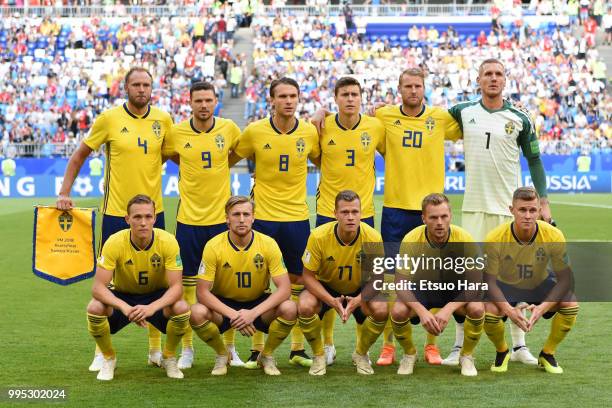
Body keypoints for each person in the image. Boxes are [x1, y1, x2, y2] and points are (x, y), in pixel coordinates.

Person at [311, 68, 461, 366]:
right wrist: (320, 110)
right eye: (408, 86)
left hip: (429, 211)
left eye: (418, 86)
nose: (414, 91)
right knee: (389, 281)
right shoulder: (384, 118)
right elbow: (347, 118)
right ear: (399, 88)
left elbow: (471, 119)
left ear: (424, 88)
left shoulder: (441, 117)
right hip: (394, 208)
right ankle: (389, 345)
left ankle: (431, 345)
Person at [56, 67, 174, 372]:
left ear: (153, 88)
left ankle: (155, 348)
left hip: (154, 212)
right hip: (115, 213)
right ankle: (101, 349)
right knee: (107, 281)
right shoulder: (109, 119)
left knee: (157, 281)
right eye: (135, 84)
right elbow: (80, 155)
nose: (141, 89)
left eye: (146, 84)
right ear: (125, 88)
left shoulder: (163, 120)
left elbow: (176, 156)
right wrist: (64, 192)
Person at [445, 58, 553, 366]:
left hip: (509, 211)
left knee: (514, 279)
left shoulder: (520, 117)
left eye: (498, 74)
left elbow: (534, 160)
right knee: (468, 279)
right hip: (475, 208)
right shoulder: (463, 111)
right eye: (487, 74)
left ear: (505, 80)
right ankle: (458, 346)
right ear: (477, 80)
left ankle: (518, 346)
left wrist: (542, 200)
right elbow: (425, 117)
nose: (493, 79)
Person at [230, 77, 320, 368]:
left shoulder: (308, 132)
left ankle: (296, 349)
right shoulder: (255, 131)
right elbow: (229, 159)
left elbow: (323, 161)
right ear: (271, 100)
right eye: (282, 96)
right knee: (260, 281)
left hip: (296, 217)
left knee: (296, 280)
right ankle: (257, 348)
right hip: (264, 217)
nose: (289, 101)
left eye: (293, 95)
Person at [163, 81, 243, 370]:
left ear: (215, 102)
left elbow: (238, 152)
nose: (204, 105)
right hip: (189, 222)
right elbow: (172, 156)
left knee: (225, 285)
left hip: (221, 221)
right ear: (190, 103)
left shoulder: (229, 129)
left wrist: (222, 164)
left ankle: (230, 347)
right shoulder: (177, 132)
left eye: (209, 100)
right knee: (186, 287)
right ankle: (187, 348)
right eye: (199, 101)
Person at [313, 77, 386, 365]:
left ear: (361, 98)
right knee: (326, 277)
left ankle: (361, 349)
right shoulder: (322, 125)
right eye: (345, 94)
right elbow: (316, 159)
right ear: (336, 98)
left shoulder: (375, 126)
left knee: (364, 281)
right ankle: (328, 345)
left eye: (355, 94)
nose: (350, 99)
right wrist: (319, 112)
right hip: (326, 211)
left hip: (363, 212)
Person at [85, 194, 190, 381]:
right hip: (123, 296)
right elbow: (98, 288)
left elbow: (176, 288)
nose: (143, 222)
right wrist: (124, 307)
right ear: (127, 219)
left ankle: (168, 357)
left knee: (182, 308)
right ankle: (109, 358)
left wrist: (151, 308)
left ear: (155, 218)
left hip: (157, 298)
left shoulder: (168, 241)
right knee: (94, 307)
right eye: (137, 217)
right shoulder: (114, 242)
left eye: (148, 217)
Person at [189, 196, 297, 376]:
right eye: (236, 214)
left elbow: (285, 289)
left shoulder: (268, 244)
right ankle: (223, 354)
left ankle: (267, 355)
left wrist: (252, 314)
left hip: (258, 304)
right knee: (196, 312)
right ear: (227, 219)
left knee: (290, 308)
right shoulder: (213, 246)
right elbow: (201, 292)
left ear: (253, 217)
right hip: (224, 306)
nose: (241, 219)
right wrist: (234, 315)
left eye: (246, 214)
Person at [483, 187, 579, 374]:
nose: (527, 215)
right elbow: (489, 282)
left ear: (540, 211)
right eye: (522, 210)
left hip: (538, 283)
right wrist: (509, 311)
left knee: (570, 302)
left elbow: (565, 279)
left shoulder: (553, 234)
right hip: (506, 285)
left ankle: (547, 353)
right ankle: (502, 352)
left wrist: (542, 308)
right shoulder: (495, 238)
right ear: (512, 210)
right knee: (489, 309)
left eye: (532, 210)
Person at [391, 193, 485, 377]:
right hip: (424, 289)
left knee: (477, 308)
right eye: (433, 217)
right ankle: (409, 355)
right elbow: (400, 283)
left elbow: (476, 283)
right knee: (398, 311)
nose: (439, 222)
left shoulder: (464, 239)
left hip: (453, 290)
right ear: (424, 218)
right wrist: (422, 311)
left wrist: (449, 308)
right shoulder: (411, 239)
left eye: (444, 216)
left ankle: (466, 356)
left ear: (450, 215)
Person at [298, 190, 388, 375]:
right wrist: (331, 300)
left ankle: (361, 354)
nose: (350, 217)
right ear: (335, 214)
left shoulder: (372, 237)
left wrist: (359, 300)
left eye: (355, 212)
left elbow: (378, 277)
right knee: (305, 305)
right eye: (345, 212)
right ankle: (318, 356)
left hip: (359, 286)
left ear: (361, 214)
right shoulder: (318, 236)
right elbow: (307, 276)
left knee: (381, 308)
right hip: (327, 286)